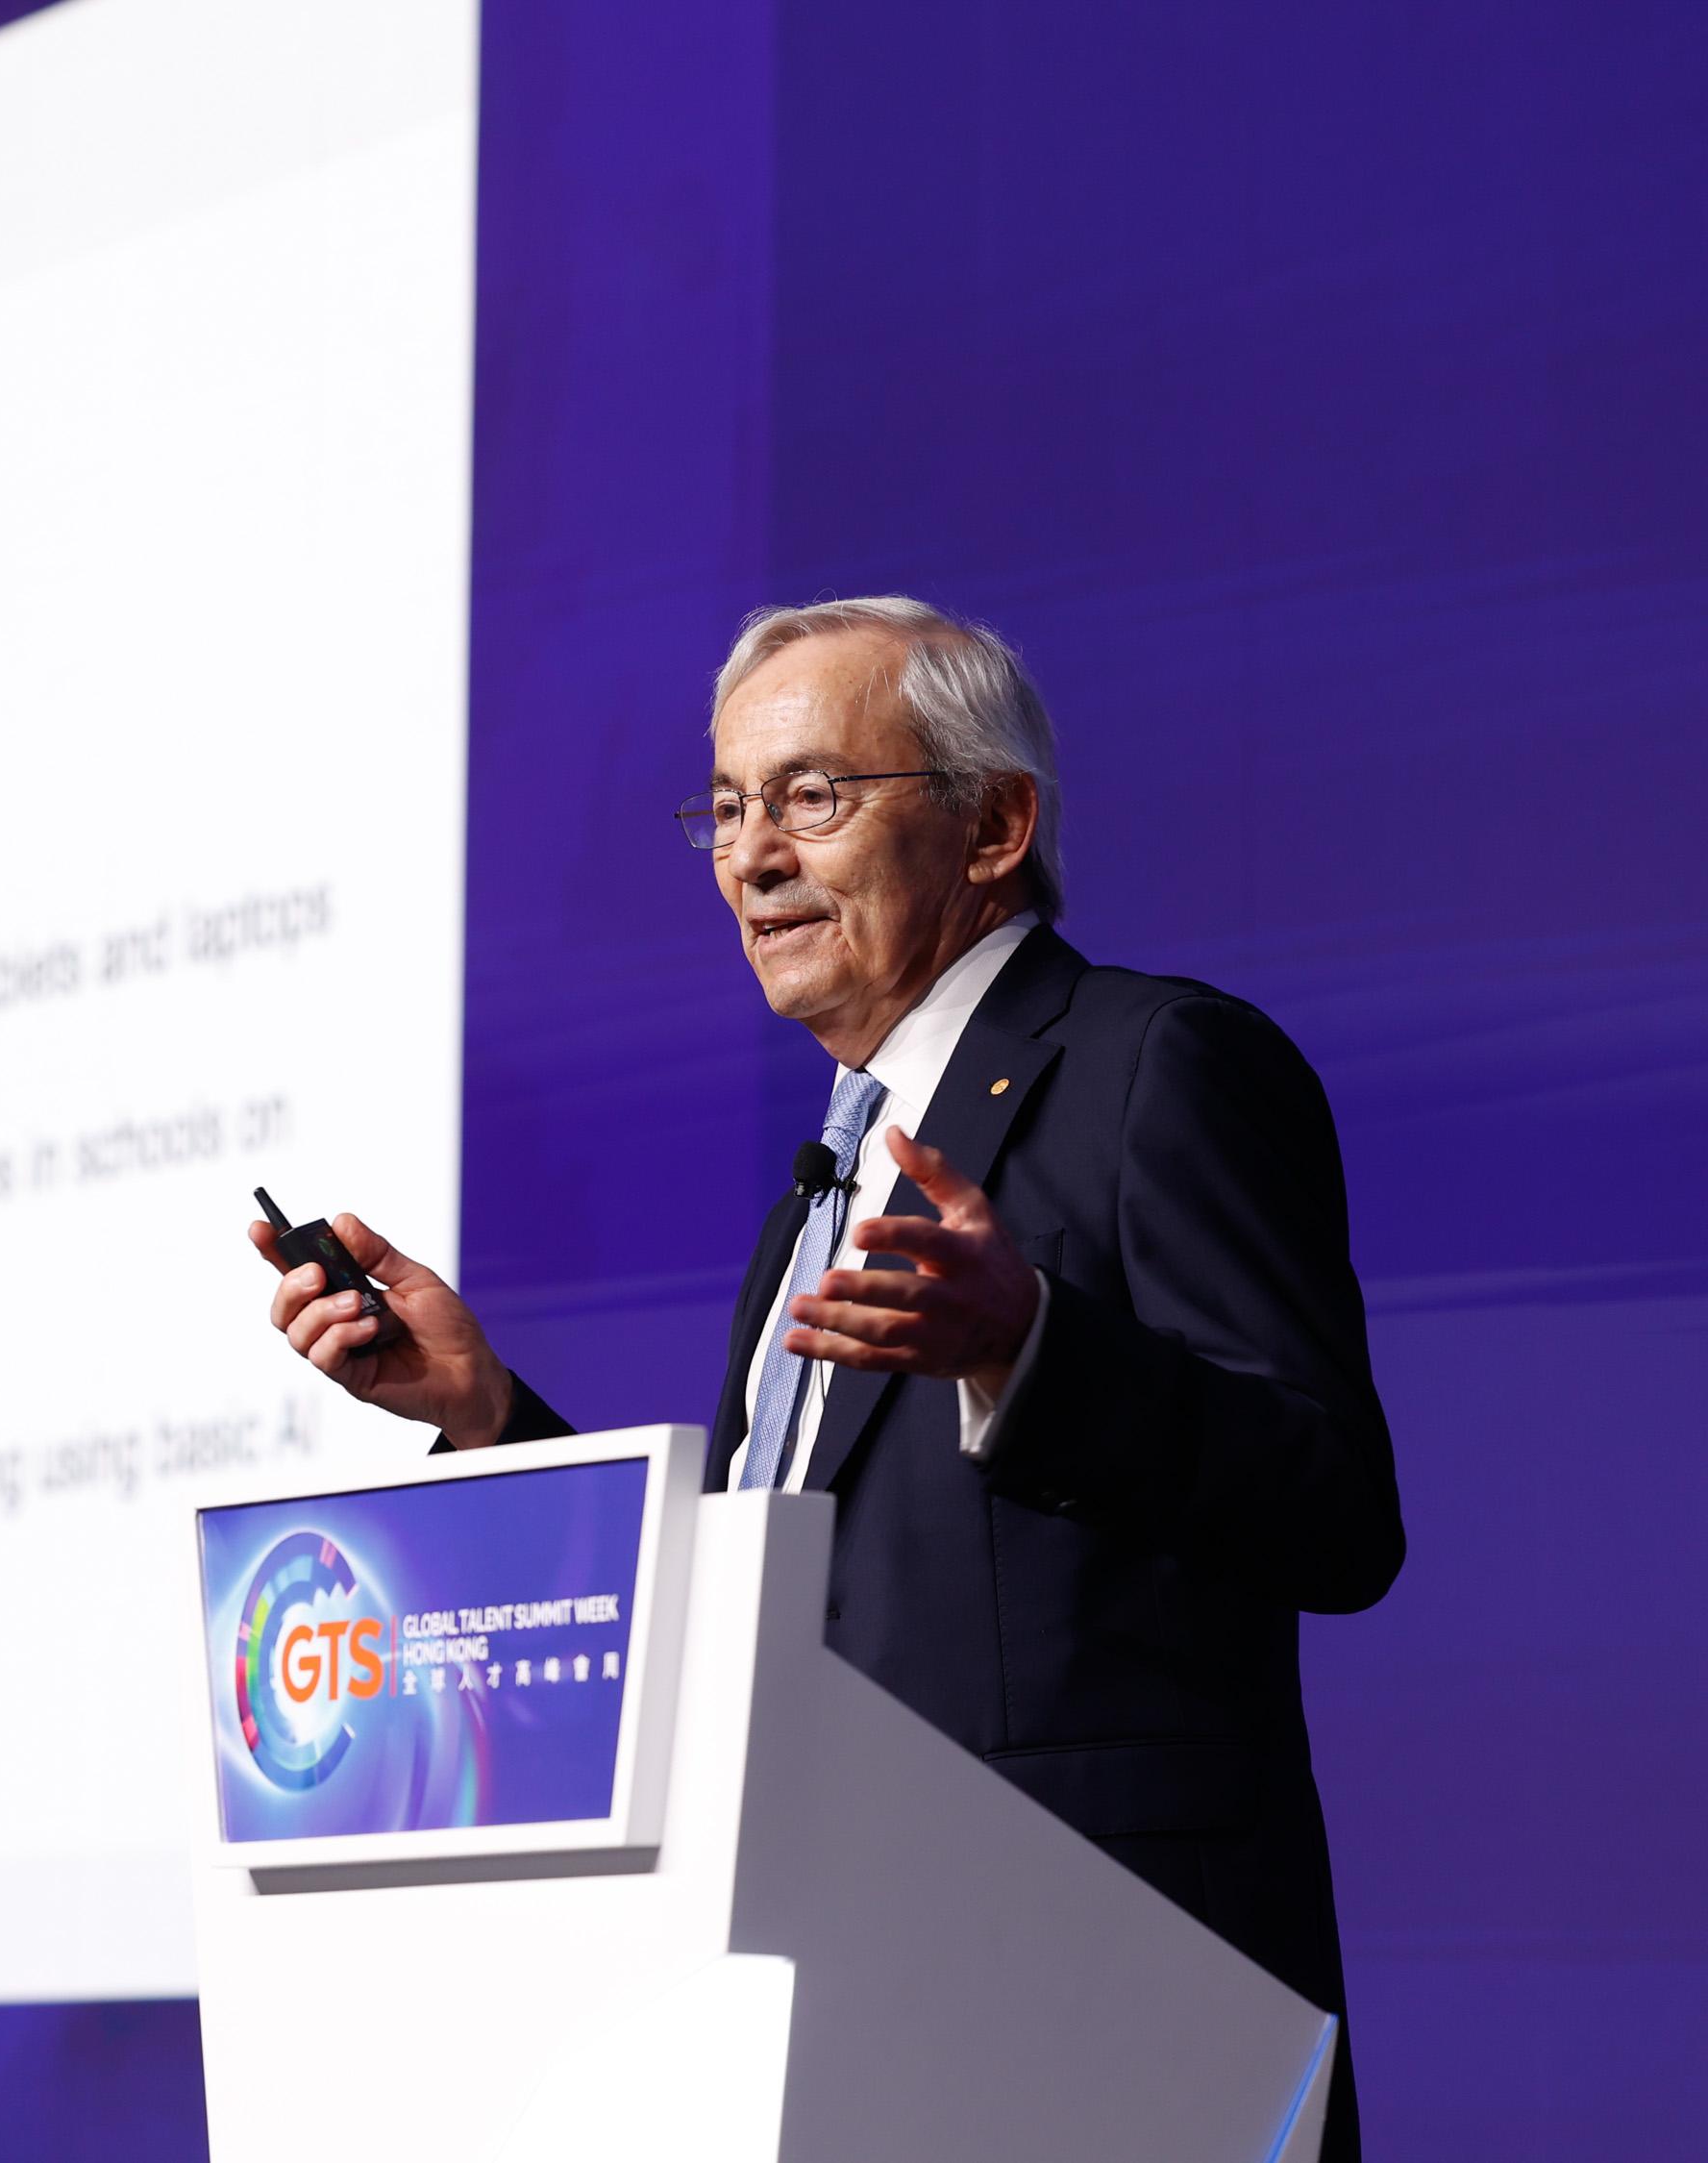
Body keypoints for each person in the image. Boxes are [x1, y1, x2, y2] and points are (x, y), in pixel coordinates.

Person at [248, 596, 1403, 2159]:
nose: (752, 855)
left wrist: (1032, 1345)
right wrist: (485, 1414)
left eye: (812, 794)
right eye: (726, 809)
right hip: (843, 2010)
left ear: (995, 824)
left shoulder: (1157, 1063)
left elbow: (1334, 1505)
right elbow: (763, 1605)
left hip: (1109, 2021)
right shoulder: (819, 1187)